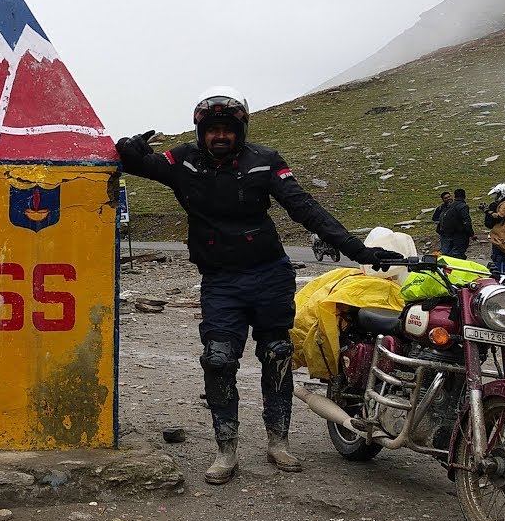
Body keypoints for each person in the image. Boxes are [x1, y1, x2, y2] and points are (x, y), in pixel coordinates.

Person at [114, 86, 402, 485]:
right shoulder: (182, 161)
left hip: (268, 274)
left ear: (241, 130)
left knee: (278, 353)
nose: (220, 136)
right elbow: (136, 164)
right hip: (220, 280)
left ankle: (278, 441)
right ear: (200, 131)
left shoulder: (264, 161)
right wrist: (127, 148)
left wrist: (361, 251)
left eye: (227, 129)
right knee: (218, 359)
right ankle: (225, 449)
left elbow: (305, 208)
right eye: (212, 129)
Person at [483, 183, 505, 273]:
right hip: (500, 233)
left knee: (499, 256)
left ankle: (502, 274)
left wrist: (488, 211)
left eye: (497, 194)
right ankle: (504, 273)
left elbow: (499, 216)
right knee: (501, 256)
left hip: (502, 235)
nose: (496, 197)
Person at [438, 188, 475, 259]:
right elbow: (466, 221)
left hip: (449, 234)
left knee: (449, 253)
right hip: (460, 234)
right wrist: (471, 234)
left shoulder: (450, 206)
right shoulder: (463, 206)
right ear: (464, 196)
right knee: (458, 253)